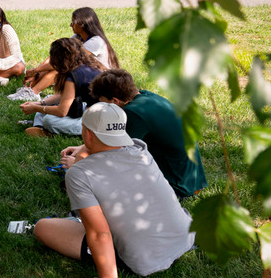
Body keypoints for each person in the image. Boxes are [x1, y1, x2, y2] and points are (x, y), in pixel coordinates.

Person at [34, 102, 195, 278]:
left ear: (86, 133)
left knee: (43, 228)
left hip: (143, 258)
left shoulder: (79, 174)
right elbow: (102, 146)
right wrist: (84, 148)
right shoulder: (140, 148)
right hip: (184, 236)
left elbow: (99, 234)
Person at [58, 69, 208, 198]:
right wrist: (82, 148)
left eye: (104, 102)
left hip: (176, 185)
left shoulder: (133, 114)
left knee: (99, 182)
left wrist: (79, 166)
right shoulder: (145, 96)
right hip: (192, 179)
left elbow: (114, 157)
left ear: (115, 101)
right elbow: (111, 143)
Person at [13, 7, 118, 101]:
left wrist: (36, 70)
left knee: (61, 67)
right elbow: (55, 57)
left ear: (83, 23)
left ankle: (34, 92)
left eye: (73, 22)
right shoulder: (77, 37)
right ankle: (29, 89)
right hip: (85, 73)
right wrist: (36, 72)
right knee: (56, 64)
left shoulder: (96, 41)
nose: (70, 25)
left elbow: (67, 62)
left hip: (101, 80)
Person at [19, 37, 106, 137]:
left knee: (49, 120)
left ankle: (50, 130)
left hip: (97, 122)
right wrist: (40, 103)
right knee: (47, 99)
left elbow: (62, 111)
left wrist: (36, 108)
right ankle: (39, 127)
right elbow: (65, 95)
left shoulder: (73, 75)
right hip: (92, 110)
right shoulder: (87, 64)